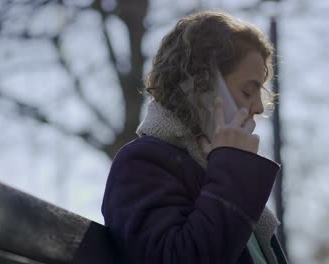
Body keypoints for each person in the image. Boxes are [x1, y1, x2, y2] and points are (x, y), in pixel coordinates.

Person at [101, 10, 288, 264]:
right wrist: (233, 167)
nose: (258, 107)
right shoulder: (141, 163)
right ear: (201, 87)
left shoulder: (217, 173)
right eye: (247, 91)